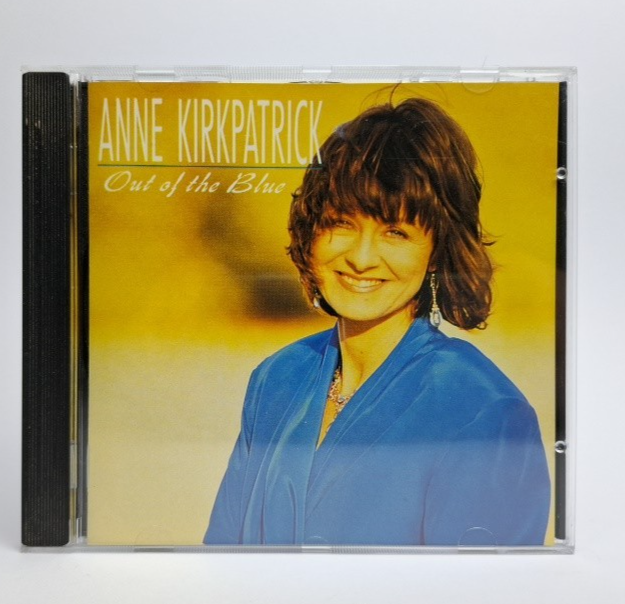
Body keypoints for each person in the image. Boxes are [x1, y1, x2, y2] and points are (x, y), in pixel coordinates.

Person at [204, 98, 550, 546]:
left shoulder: (482, 409)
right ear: (311, 232)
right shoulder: (276, 379)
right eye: (341, 223)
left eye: (396, 232)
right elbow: (221, 559)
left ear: (436, 252)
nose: (362, 258)